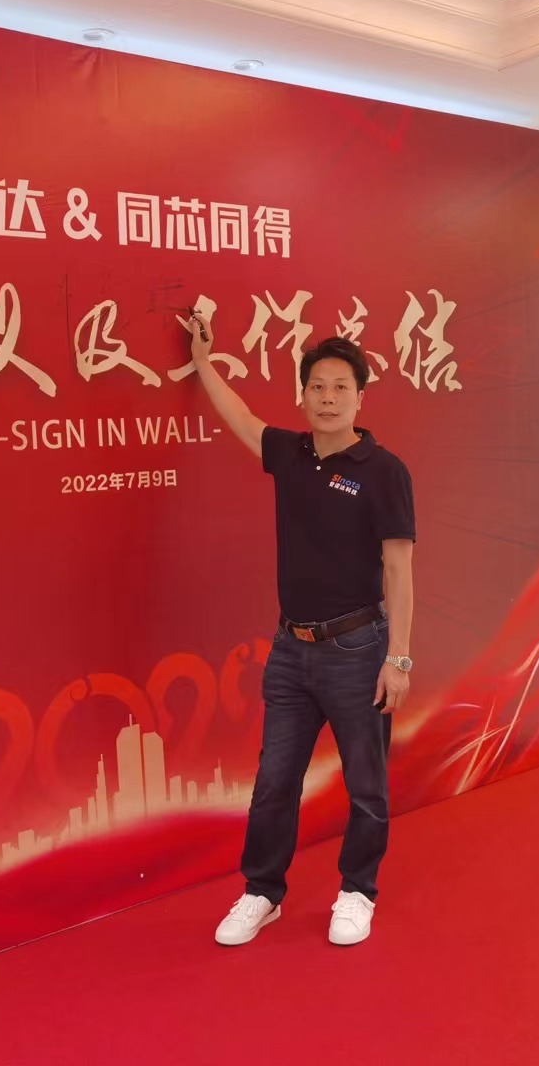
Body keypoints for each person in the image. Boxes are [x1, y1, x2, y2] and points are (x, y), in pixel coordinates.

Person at [184, 309, 415, 948]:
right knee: (273, 784)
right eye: (317, 386)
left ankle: (357, 891)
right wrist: (202, 362)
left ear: (360, 397)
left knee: (365, 786)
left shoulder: (383, 470)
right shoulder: (289, 453)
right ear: (303, 394)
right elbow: (239, 416)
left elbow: (399, 567)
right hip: (291, 650)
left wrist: (398, 658)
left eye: (340, 387)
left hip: (359, 649)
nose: (328, 397)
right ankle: (262, 892)